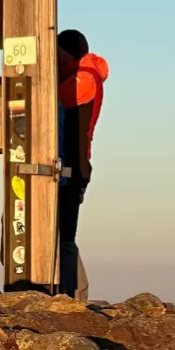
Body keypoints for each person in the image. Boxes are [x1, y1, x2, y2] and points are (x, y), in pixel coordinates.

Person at [56, 29, 109, 300]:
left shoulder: (85, 80)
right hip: (72, 166)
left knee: (64, 236)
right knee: (62, 234)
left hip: (73, 168)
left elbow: (51, 99)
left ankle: (74, 295)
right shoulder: (84, 76)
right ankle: (69, 293)